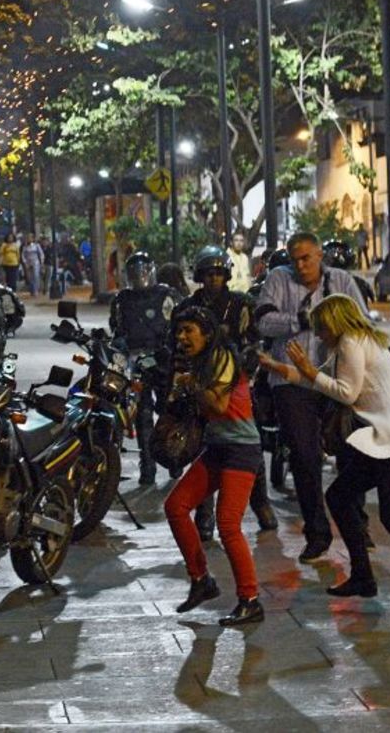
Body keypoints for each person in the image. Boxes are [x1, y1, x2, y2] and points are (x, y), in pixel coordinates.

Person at [259, 294, 390, 620]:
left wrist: (308, 372)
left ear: (333, 322)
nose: (318, 336)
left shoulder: (351, 342)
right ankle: (362, 577)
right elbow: (318, 379)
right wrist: (282, 369)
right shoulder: (355, 342)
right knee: (341, 496)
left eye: (320, 328)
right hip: (381, 442)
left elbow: (347, 392)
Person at [255, 233, 371, 563]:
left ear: (320, 255)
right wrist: (301, 320)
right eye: (295, 259)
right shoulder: (278, 280)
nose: (301, 265)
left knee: (352, 450)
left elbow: (360, 321)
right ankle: (317, 533)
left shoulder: (341, 281)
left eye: (307, 257)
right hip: (291, 380)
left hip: (334, 379)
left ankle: (356, 525)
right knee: (305, 457)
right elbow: (263, 321)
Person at [163, 307, 264, 626]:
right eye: (179, 331)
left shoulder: (221, 357)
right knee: (176, 506)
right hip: (218, 447)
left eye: (189, 330)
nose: (182, 337)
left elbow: (219, 403)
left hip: (241, 450)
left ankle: (250, 600)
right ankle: (201, 581)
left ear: (206, 333)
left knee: (228, 524)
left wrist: (190, 384)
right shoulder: (198, 362)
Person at [176, 246, 277, 538]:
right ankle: (204, 515)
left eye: (219, 272)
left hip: (238, 384)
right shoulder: (188, 307)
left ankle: (261, 504)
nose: (214, 278)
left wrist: (243, 363)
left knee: (248, 445)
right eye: (209, 273)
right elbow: (177, 345)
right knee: (201, 448)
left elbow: (256, 342)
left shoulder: (241, 304)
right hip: (201, 383)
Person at [109, 251, 180, 486]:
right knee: (142, 415)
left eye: (142, 272)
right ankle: (147, 465)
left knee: (170, 410)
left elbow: (178, 325)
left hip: (163, 359)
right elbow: (117, 329)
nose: (139, 277)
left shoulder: (166, 295)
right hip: (136, 362)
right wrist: (120, 346)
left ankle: (174, 458)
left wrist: (172, 352)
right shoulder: (122, 300)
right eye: (133, 273)